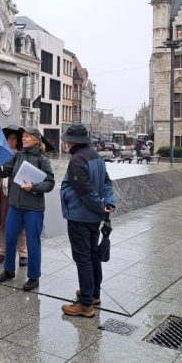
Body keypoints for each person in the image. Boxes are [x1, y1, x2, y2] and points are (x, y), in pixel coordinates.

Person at [59, 123, 115, 318]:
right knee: (92, 255)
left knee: (82, 258)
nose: (65, 143)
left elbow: (85, 192)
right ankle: (93, 294)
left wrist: (99, 205)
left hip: (80, 215)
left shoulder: (77, 160)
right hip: (93, 218)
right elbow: (107, 182)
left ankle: (85, 304)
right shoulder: (96, 156)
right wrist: (108, 203)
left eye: (66, 140)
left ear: (72, 142)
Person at [0, 127, 55, 291]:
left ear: (36, 139)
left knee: (33, 242)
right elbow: (4, 172)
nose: (23, 138)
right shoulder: (17, 156)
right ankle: (8, 271)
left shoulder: (43, 160)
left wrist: (33, 187)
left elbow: (50, 183)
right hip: (15, 205)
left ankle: (34, 277)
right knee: (10, 238)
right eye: (23, 136)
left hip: (33, 208)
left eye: (27, 136)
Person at [0, 128, 27, 266]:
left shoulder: (22, 155)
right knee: (1, 223)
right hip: (2, 191)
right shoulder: (0, 154)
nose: (11, 141)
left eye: (14, 138)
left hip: (16, 192)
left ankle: (22, 253)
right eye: (9, 138)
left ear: (17, 141)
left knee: (20, 225)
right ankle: (1, 251)